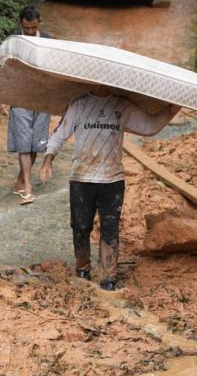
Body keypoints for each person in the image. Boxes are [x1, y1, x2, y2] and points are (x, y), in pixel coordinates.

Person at [40, 86, 180, 290]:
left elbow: (149, 126)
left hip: (112, 180)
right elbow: (59, 134)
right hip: (82, 178)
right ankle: (82, 269)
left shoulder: (122, 104)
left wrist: (172, 109)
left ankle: (108, 279)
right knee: (80, 227)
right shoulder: (78, 104)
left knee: (110, 230)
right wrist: (48, 158)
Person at [0, 6, 52, 204]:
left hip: (42, 98)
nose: (29, 32)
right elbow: (4, 71)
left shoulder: (49, 42)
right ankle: (28, 186)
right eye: (26, 28)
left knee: (36, 143)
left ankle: (21, 179)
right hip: (19, 97)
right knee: (23, 141)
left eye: (33, 28)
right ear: (20, 23)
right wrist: (3, 98)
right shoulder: (12, 42)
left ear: (39, 23)